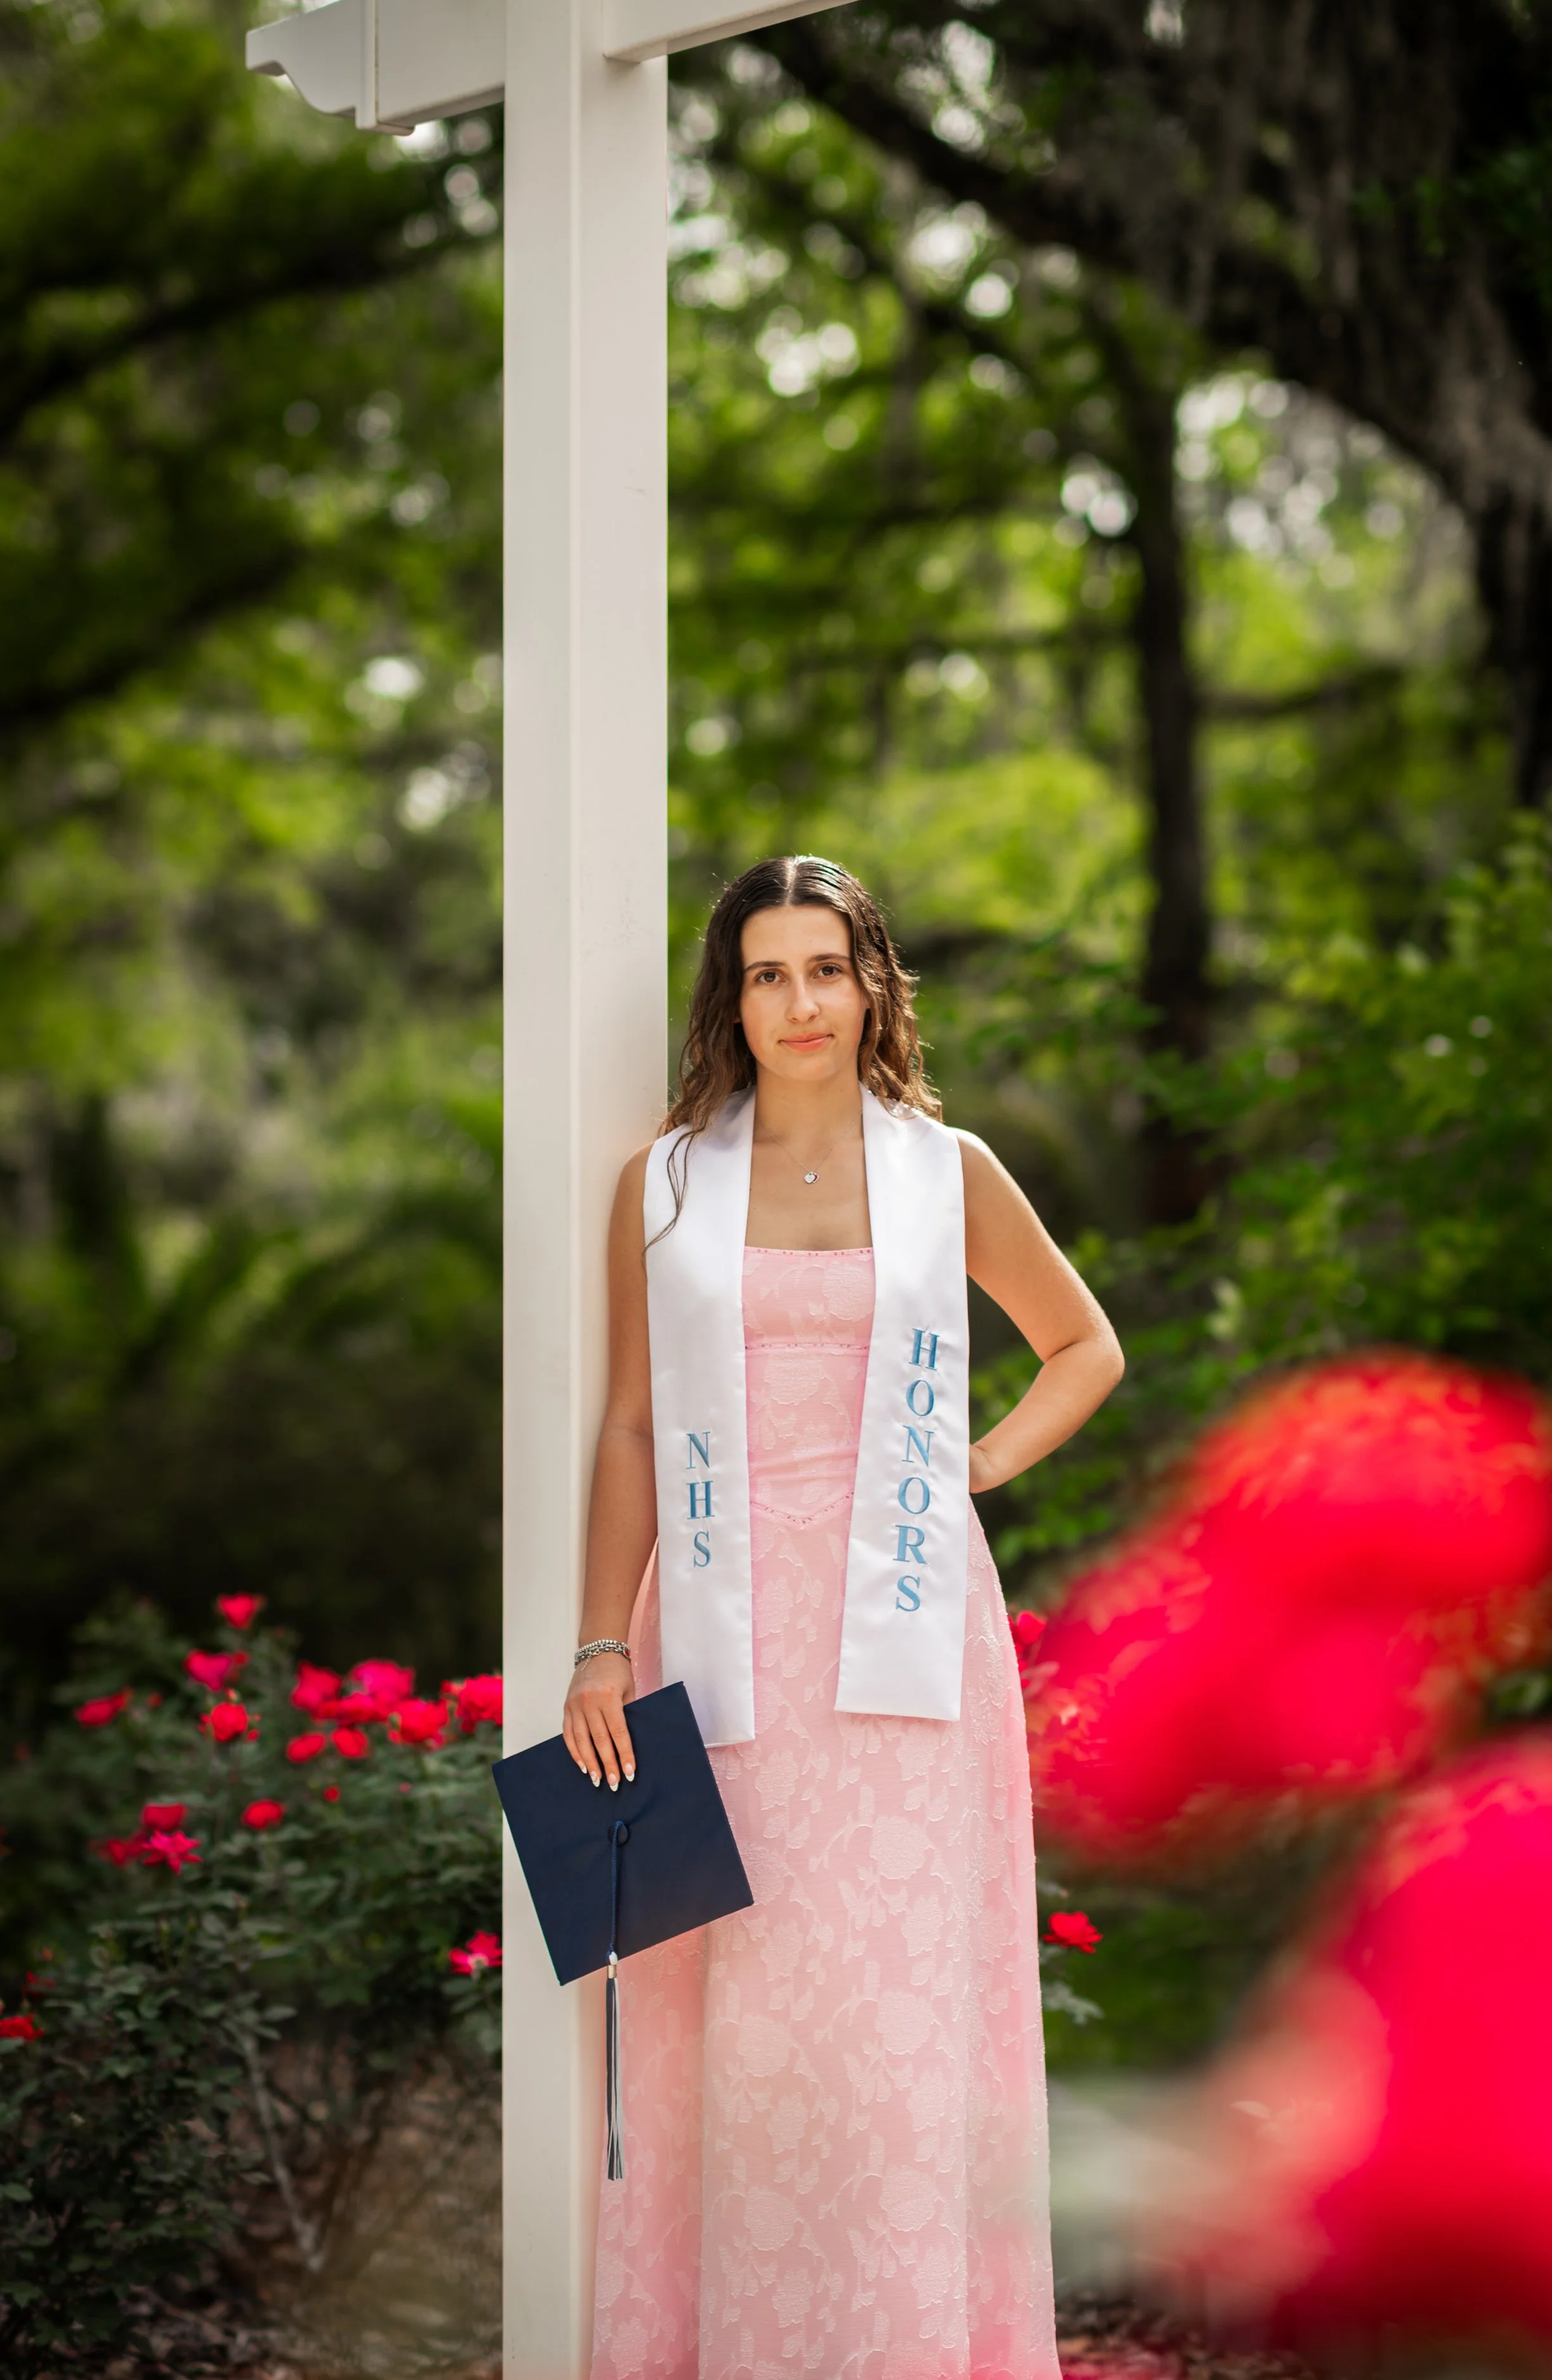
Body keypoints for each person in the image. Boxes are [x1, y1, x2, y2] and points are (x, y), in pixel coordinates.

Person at [564, 855, 1124, 2380]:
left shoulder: (947, 1171)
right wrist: (599, 1643)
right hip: (715, 1629)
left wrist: (977, 1464)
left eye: (825, 967)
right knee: (729, 2021)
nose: (798, 1002)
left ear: (872, 981)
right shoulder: (667, 1182)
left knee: (892, 2021)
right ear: (727, 1000)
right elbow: (628, 1425)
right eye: (764, 973)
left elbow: (1083, 1344)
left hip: (906, 1630)